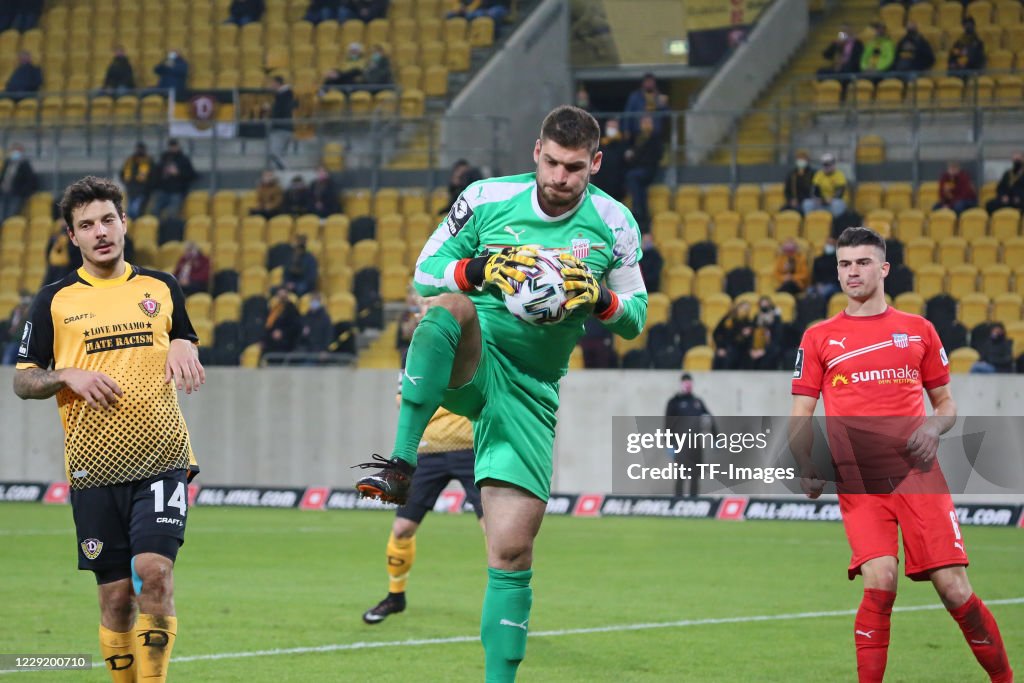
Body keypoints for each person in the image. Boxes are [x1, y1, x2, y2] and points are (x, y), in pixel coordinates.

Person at [354, 105, 647, 682]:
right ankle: (401, 463)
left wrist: (599, 299)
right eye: (554, 163)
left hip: (533, 393)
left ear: (596, 163)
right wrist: (483, 268)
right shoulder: (486, 198)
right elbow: (425, 272)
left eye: (575, 169)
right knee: (448, 309)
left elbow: (635, 318)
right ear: (537, 150)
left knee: (511, 551)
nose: (561, 179)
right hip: (479, 359)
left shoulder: (615, 223)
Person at [790, 226, 1013, 683]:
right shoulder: (819, 338)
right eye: (845, 264)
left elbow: (947, 406)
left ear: (884, 268)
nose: (853, 272)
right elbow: (801, 415)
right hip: (860, 483)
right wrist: (806, 464)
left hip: (919, 477)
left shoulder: (918, 330)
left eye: (863, 262)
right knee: (881, 583)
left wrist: (933, 427)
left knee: (954, 589)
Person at [12, 176, 204, 683]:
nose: (100, 232)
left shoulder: (161, 287)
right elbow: (23, 381)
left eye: (107, 220)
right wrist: (66, 374)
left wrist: (187, 341)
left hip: (163, 459)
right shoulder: (54, 300)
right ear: (72, 237)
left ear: (125, 224)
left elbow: (182, 334)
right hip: (94, 470)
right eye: (86, 225)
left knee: (155, 574)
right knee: (117, 600)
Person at [363, 301, 484, 624]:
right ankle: (395, 596)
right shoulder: (412, 355)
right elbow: (406, 402)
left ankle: (501, 605)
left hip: (471, 450)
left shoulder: (474, 343)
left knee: (495, 533)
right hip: (428, 452)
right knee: (402, 529)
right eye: (420, 310)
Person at [663, 372, 714, 497]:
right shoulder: (674, 402)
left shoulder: (697, 402)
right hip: (681, 444)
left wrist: (716, 437)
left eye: (689, 383)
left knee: (695, 475)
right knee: (681, 474)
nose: (688, 386)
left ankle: (693, 499)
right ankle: (678, 499)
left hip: (696, 444)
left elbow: (709, 418)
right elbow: (668, 424)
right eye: (685, 383)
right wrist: (669, 443)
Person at [623, 114, 664, 232]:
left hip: (649, 169)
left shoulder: (655, 138)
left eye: (648, 122)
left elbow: (656, 156)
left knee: (632, 177)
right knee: (639, 189)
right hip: (638, 169)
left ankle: (638, 210)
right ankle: (642, 213)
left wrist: (635, 157)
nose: (645, 125)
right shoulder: (638, 138)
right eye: (643, 122)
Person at [149, 139, 197, 222]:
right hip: (163, 190)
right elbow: (155, 174)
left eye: (174, 146)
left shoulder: (183, 160)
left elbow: (191, 175)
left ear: (178, 146)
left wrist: (178, 173)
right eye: (171, 146)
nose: (172, 148)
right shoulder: (164, 159)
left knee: (172, 213)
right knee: (154, 211)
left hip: (177, 191)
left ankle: (169, 231)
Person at [0, 143, 39, 221]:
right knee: (1, 214)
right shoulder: (8, 162)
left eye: (16, 150)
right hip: (3, 193)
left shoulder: (24, 164)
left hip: (16, 194)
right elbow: (3, 177)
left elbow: (30, 180)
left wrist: (23, 192)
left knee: (11, 215)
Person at [265, 75, 296, 170]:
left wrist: (270, 110)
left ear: (277, 83)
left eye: (272, 83)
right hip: (285, 128)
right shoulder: (284, 95)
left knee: (274, 153)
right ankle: (282, 173)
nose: (270, 86)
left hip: (281, 128)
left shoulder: (285, 95)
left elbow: (281, 111)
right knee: (279, 154)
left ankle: (286, 170)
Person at [804, 152, 847, 217]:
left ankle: (835, 223)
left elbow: (840, 192)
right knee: (807, 203)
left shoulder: (839, 175)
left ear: (833, 164)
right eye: (825, 165)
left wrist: (831, 199)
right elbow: (814, 189)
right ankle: (811, 223)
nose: (827, 167)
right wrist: (819, 199)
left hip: (834, 201)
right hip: (822, 201)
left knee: (836, 204)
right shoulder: (819, 174)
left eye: (829, 164)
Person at [120, 142, 154, 219]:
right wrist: (126, 183)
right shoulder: (130, 160)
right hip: (131, 189)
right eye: (138, 149)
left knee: (136, 210)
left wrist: (149, 187)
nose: (139, 151)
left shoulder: (149, 161)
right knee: (130, 211)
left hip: (143, 190)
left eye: (141, 149)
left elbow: (153, 175)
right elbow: (122, 173)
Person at [2, 290, 32, 365]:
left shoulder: (32, 310)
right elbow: (10, 326)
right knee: (7, 360)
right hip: (15, 340)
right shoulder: (16, 311)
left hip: (26, 342)